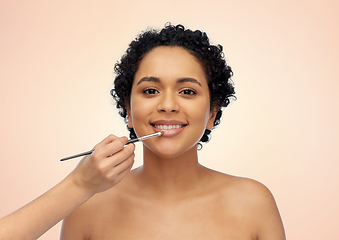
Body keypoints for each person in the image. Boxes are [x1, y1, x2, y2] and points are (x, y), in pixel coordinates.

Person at [0, 24, 285, 240]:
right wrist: (79, 185)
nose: (168, 105)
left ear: (212, 112)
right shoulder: (87, 205)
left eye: (187, 91)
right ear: (128, 107)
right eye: (150, 90)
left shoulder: (253, 202)